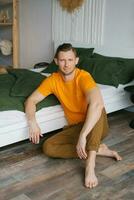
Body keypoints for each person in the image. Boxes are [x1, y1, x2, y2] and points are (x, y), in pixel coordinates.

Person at [25, 43, 122, 189]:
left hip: (96, 125)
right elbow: (31, 100)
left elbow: (97, 104)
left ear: (76, 60)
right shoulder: (52, 80)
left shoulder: (83, 77)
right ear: (56, 61)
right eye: (62, 60)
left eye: (70, 60)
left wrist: (83, 136)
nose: (66, 64)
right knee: (48, 147)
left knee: (97, 107)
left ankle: (90, 165)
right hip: (75, 127)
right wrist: (32, 122)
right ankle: (96, 149)